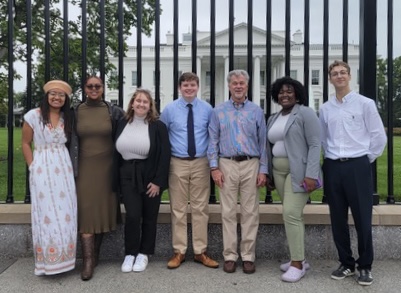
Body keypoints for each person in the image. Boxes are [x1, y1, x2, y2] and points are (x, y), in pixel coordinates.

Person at [319, 60, 387, 286]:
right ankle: (346, 263)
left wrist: (364, 159)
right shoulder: (326, 108)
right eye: (335, 73)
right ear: (330, 78)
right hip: (333, 165)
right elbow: (322, 137)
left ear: (349, 76)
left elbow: (379, 136)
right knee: (337, 217)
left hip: (357, 165)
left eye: (343, 73)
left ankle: (365, 265)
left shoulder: (364, 104)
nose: (339, 76)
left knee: (362, 218)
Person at [207, 69, 268, 274]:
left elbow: (263, 143)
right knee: (228, 212)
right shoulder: (218, 111)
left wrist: (263, 170)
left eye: (242, 83)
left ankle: (248, 255)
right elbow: (212, 141)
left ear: (247, 86)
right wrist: (214, 167)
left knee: (251, 211)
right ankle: (230, 255)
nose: (238, 86)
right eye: (235, 83)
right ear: (229, 86)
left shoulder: (256, 111)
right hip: (227, 163)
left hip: (251, 163)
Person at [160, 72, 219, 270]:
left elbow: (212, 136)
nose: (189, 88)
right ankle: (179, 251)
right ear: (180, 87)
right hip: (177, 162)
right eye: (185, 85)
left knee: (200, 208)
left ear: (197, 87)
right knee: (177, 208)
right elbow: (162, 135)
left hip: (201, 162)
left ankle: (200, 251)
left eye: (192, 85)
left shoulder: (207, 109)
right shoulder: (169, 110)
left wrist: (213, 164)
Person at [70, 76, 124, 280]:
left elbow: (130, 128)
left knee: (102, 212)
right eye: (90, 86)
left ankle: (95, 256)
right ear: (84, 88)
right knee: (86, 213)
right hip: (83, 168)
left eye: (97, 86)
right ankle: (88, 261)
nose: (93, 89)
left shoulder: (113, 111)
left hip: (107, 169)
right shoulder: (76, 111)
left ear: (103, 88)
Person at [267, 76, 321, 282]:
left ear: (297, 94)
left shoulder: (306, 113)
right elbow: (270, 146)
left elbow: (316, 144)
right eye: (281, 92)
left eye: (289, 91)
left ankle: (297, 264)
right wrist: (269, 173)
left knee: (290, 213)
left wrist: (311, 175)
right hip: (278, 172)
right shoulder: (274, 117)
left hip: (299, 173)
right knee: (293, 215)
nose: (285, 95)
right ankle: (299, 259)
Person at [21, 80, 77, 275]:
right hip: (42, 166)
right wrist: (33, 166)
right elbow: (25, 143)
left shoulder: (66, 117)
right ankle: (48, 261)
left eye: (61, 95)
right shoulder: (34, 116)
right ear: (46, 96)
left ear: (66, 99)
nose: (57, 97)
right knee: (46, 214)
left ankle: (65, 260)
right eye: (53, 94)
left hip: (63, 167)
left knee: (65, 212)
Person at [115, 89, 171, 273]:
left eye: (145, 102)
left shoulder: (158, 126)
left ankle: (144, 253)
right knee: (132, 215)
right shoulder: (121, 123)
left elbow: (164, 156)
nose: (141, 104)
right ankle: (130, 253)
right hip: (127, 174)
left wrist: (158, 182)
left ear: (150, 106)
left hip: (150, 175)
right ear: (132, 103)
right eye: (138, 101)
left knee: (149, 216)